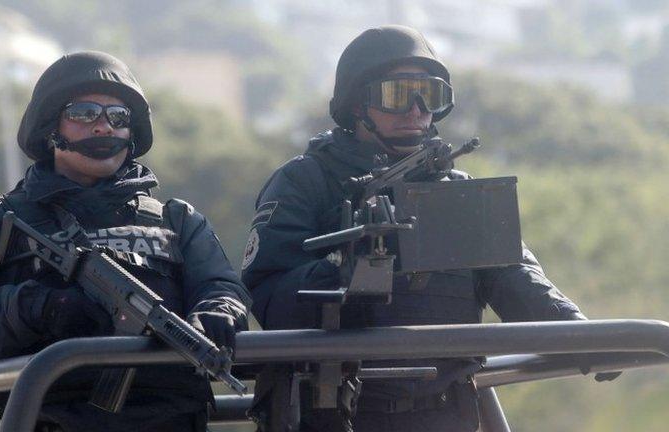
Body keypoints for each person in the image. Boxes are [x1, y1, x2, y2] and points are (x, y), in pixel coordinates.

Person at [241, 25, 585, 432]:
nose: (417, 110)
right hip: (332, 412)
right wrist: (350, 270)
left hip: (444, 412)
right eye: (398, 94)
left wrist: (578, 332)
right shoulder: (306, 182)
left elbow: (514, 275)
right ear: (357, 104)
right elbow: (267, 297)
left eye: (431, 95)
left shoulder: (455, 192)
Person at [0, 51, 250, 432]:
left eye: (118, 117)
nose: (104, 127)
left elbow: (221, 286)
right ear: (50, 126)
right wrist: (36, 307)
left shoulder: (178, 221)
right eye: (85, 114)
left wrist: (218, 313)